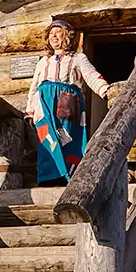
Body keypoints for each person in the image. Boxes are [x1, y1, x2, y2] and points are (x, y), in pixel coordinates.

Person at [25, 20, 112, 185]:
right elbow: (34, 87)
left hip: (67, 102)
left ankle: (68, 179)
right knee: (46, 139)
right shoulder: (43, 62)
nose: (54, 36)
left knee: (67, 138)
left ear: (66, 36)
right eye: (51, 34)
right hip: (43, 104)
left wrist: (105, 90)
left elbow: (91, 75)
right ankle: (48, 179)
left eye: (58, 32)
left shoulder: (78, 58)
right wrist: (30, 110)